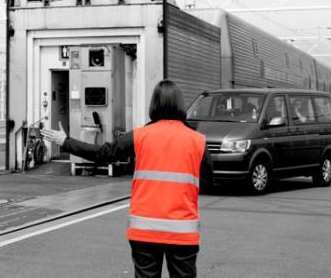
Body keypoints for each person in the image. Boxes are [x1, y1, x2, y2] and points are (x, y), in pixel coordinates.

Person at [41, 80, 212, 278]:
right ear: (181, 104)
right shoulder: (198, 140)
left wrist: (66, 141)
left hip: (144, 230)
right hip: (183, 231)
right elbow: (207, 181)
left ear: (154, 104)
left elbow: (103, 154)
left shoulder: (140, 136)